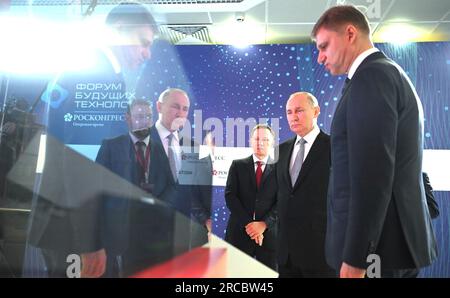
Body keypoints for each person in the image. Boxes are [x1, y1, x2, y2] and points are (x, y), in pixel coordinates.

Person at [26, 2, 159, 278]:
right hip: (77, 235)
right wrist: (91, 243)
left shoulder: (105, 75)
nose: (147, 54)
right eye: (143, 43)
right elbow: (79, 163)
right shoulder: (94, 73)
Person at [311, 5, 437, 278]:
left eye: (324, 46)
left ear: (350, 33)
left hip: (377, 251)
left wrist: (358, 257)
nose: (320, 57)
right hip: (385, 245)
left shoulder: (372, 77)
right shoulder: (386, 74)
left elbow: (373, 174)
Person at [275, 92, 335, 278]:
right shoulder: (281, 150)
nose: (293, 116)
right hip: (286, 255)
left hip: (321, 253)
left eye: (299, 110)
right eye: (289, 112)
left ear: (316, 111)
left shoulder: (334, 147)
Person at [149, 88, 212, 236]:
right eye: (175, 106)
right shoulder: (136, 142)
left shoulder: (195, 148)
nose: (180, 114)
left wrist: (206, 219)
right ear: (159, 106)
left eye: (185, 109)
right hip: (145, 234)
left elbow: (197, 192)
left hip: (185, 235)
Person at [225, 124, 278, 270]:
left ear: (272, 143)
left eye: (265, 140)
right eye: (257, 139)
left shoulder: (280, 169)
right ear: (251, 141)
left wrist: (264, 224)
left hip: (269, 237)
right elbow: (230, 197)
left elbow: (282, 202)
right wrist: (250, 225)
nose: (260, 143)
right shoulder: (237, 166)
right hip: (239, 234)